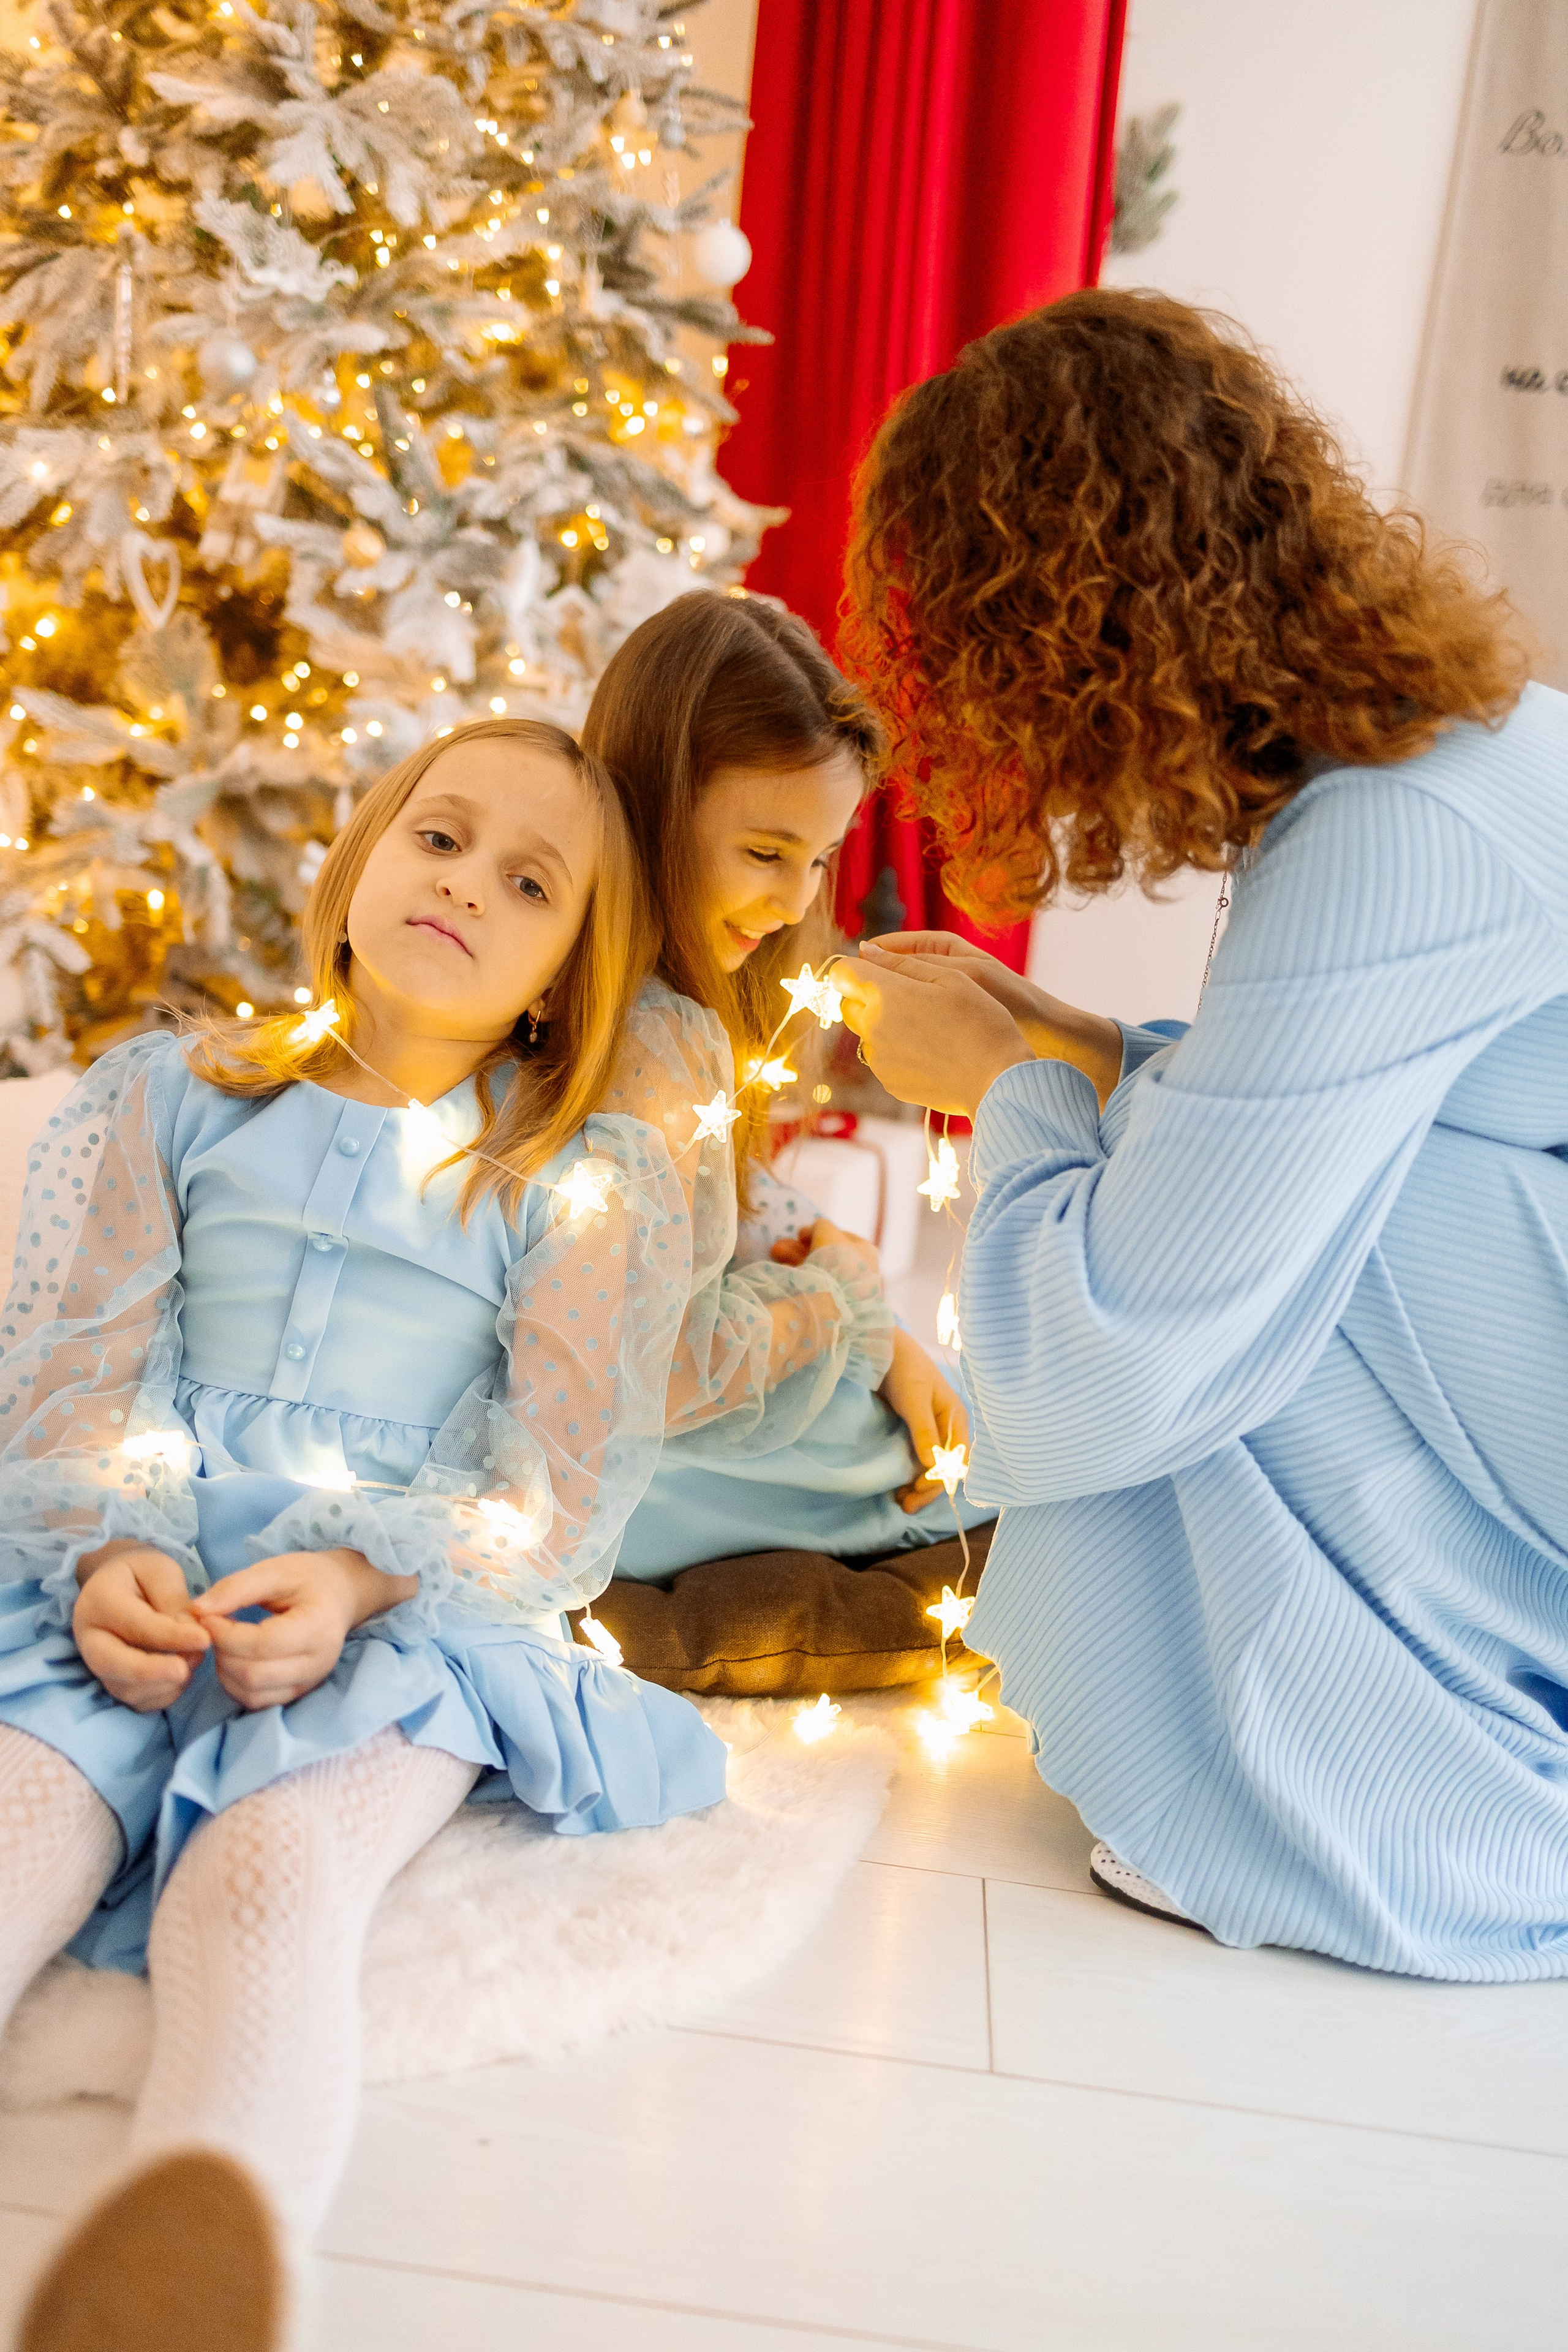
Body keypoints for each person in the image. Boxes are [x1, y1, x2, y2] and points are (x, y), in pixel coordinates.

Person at [832, 287, 1568, 1982]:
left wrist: (1005, 1083)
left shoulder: (1393, 838)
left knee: (1226, 1260)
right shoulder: (1420, 765)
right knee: (1241, 1188)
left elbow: (1117, 1350)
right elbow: (1312, 1091)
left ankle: (1417, 1808)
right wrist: (1067, 1036)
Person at [0, 717, 729, 2342]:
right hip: (129, 1579)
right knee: (17, 1829)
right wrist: (109, 1553)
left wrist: (356, 1571)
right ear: (359, 870)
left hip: (398, 1620)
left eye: (529, 882)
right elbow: (75, 1376)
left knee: (268, 1881)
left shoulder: (570, 1177)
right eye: (443, 837)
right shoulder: (179, 1098)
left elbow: (550, 1493)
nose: (467, 882)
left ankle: (203, 2263)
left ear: (562, 976)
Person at [581, 592, 994, 1591]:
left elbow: (726, 1192)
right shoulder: (644, 1034)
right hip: (629, 1445)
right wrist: (850, 1304)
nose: (796, 900)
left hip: (658, 1404)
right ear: (649, 801)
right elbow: (667, 1368)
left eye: (817, 859)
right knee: (985, 1449)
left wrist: (883, 1326)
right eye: (766, 854)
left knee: (970, 1409)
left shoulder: (672, 1004)